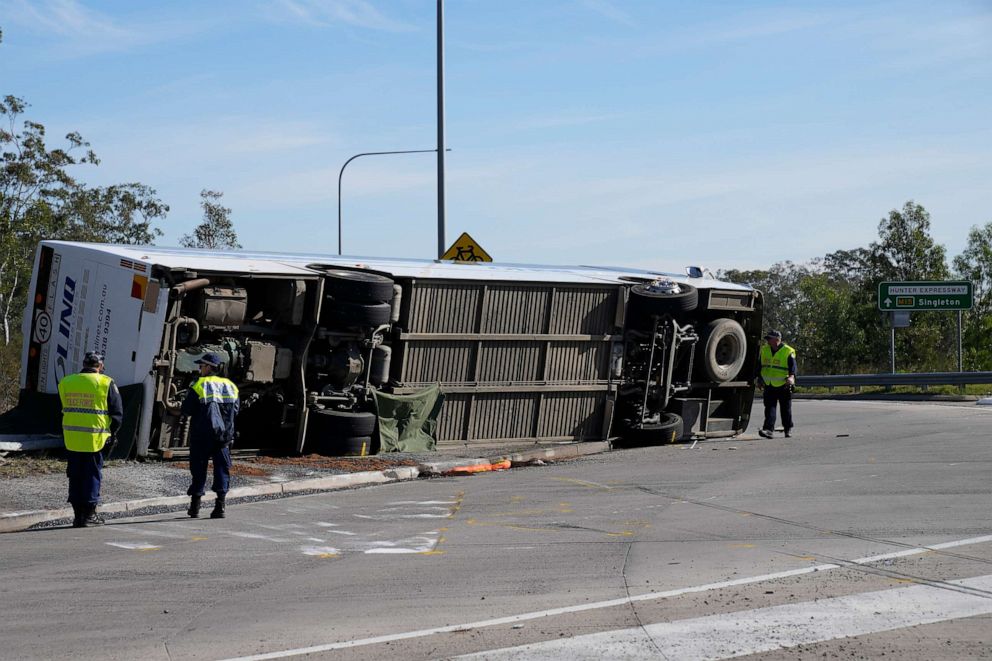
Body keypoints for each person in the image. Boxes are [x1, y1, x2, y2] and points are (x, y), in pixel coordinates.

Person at [58, 352, 123, 528]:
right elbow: (117, 414)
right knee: (92, 476)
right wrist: (113, 433)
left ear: (84, 363)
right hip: (95, 439)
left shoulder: (66, 382)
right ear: (100, 366)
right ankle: (89, 515)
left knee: (75, 475)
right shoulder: (106, 382)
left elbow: (64, 407)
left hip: (72, 438)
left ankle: (77, 516)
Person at [181, 352, 240, 519]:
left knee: (199, 470)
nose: (200, 369)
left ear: (208, 367)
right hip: (223, 437)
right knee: (221, 470)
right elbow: (236, 410)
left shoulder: (199, 384)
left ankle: (195, 507)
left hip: (202, 435)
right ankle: (220, 507)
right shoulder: (230, 385)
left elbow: (187, 410)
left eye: (201, 366)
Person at [756, 330, 797, 438]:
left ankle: (787, 429)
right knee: (769, 408)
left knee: (785, 409)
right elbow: (760, 366)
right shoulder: (764, 350)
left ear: (777, 340)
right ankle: (768, 430)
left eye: (770, 339)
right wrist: (759, 379)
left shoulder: (788, 351)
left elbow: (792, 368)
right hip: (769, 384)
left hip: (784, 385)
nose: (768, 341)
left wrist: (791, 378)